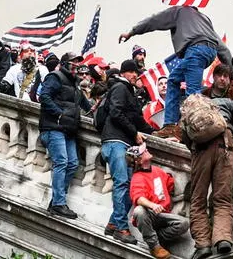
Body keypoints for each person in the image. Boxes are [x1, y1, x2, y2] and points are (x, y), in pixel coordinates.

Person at [119, 6, 232, 140]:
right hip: (208, 52)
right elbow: (223, 48)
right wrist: (232, 70)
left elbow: (154, 20)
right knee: (172, 80)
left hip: (194, 50)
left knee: (193, 94)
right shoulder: (204, 19)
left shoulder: (179, 11)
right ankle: (170, 126)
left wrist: (132, 32)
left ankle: (193, 129)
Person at [182, 95, 233, 259]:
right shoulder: (223, 103)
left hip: (201, 153)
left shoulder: (186, 112)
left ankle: (203, 245)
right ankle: (222, 239)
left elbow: (186, 139)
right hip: (225, 147)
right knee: (222, 198)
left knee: (198, 200)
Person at [101, 59, 154, 244]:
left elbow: (137, 119)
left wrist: (156, 134)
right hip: (115, 141)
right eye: (131, 72)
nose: (135, 75)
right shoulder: (120, 88)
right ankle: (122, 229)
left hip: (124, 143)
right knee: (122, 183)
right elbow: (116, 113)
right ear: (124, 73)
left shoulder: (130, 92)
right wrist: (135, 133)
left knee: (129, 185)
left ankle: (114, 224)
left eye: (136, 72)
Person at [38, 52, 92, 219]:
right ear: (64, 63)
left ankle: (56, 200)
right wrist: (59, 114)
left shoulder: (75, 85)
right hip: (53, 127)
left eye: (78, 63)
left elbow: (87, 106)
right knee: (61, 162)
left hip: (68, 129)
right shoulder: (55, 77)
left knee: (73, 164)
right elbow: (44, 96)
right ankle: (59, 204)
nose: (77, 66)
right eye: (74, 63)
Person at [128, 142, 189, 259]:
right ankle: (154, 246)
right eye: (143, 151)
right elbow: (138, 198)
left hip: (163, 215)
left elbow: (170, 184)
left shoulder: (157, 170)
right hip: (150, 215)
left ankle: (155, 237)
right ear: (139, 161)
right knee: (139, 211)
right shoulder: (137, 178)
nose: (146, 150)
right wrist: (153, 205)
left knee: (184, 223)